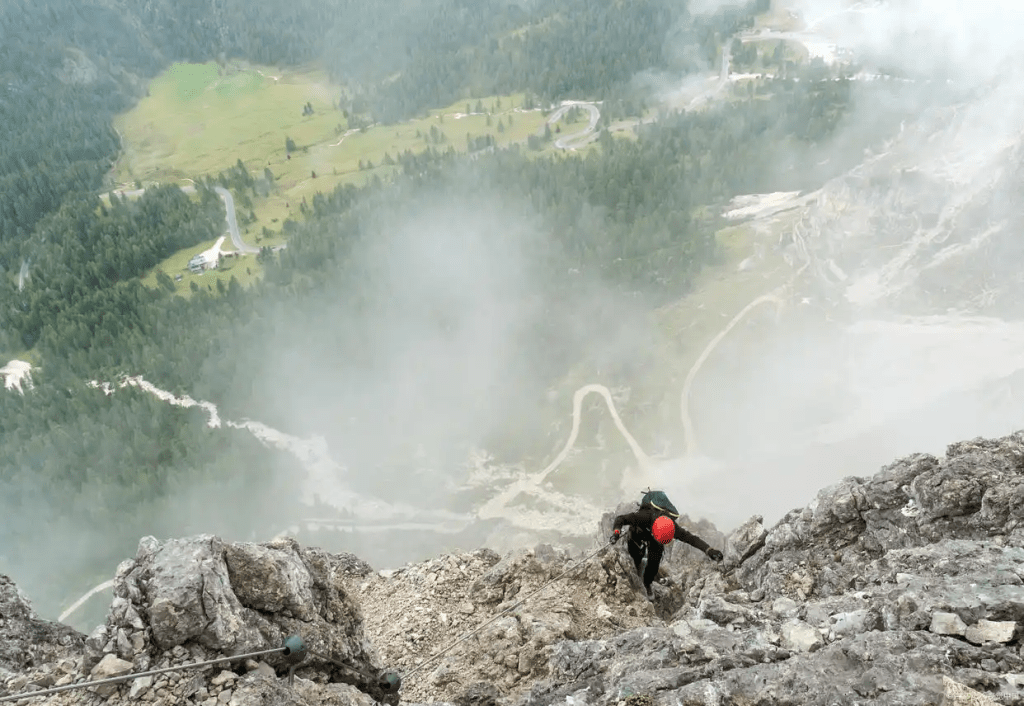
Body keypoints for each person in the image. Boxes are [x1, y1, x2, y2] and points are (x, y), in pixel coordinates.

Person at [609, 490, 723, 598]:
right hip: (640, 530)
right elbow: (621, 519)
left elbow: (691, 539)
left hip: (656, 537)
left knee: (655, 559)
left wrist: (709, 551)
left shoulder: (673, 529)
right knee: (635, 549)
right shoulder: (644, 517)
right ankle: (638, 563)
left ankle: (648, 582)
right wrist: (616, 533)